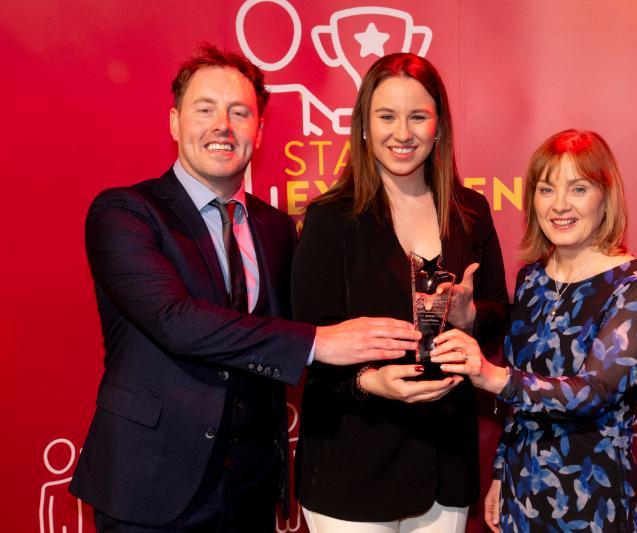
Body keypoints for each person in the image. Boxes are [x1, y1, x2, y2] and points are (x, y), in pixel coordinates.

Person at [69, 45, 421, 533]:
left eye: (240, 112)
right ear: (174, 122)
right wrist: (320, 342)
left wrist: (410, 336)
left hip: (252, 486)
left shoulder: (277, 228)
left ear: (260, 129)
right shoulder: (125, 213)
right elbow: (177, 321)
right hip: (149, 482)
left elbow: (307, 317)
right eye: (205, 109)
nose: (223, 126)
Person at [290, 53, 509, 532]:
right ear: (364, 126)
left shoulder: (469, 211)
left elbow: (500, 313)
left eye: (418, 116)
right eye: (386, 116)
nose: (402, 133)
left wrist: (471, 319)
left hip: (444, 464)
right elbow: (305, 342)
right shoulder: (331, 219)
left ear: (439, 125)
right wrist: (370, 381)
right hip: (352, 464)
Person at [431, 129, 637, 532]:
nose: (559, 205)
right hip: (522, 492)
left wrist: (490, 375)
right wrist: (502, 474)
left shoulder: (634, 287)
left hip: (592, 500)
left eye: (578, 189)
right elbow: (523, 403)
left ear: (605, 197)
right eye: (545, 189)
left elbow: (595, 392)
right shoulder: (531, 280)